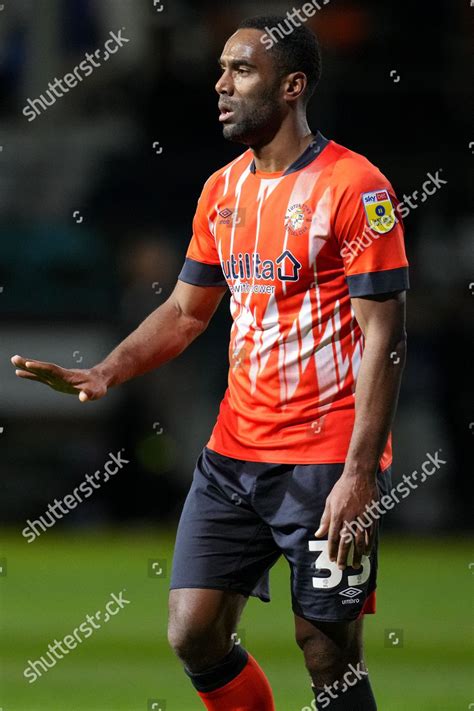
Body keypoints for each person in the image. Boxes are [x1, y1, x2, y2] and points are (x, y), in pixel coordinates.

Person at [12, 15, 409, 710]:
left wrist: (358, 474)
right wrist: (108, 369)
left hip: (324, 458)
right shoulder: (222, 190)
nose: (220, 85)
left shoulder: (356, 187)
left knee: (326, 648)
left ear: (292, 86)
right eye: (221, 69)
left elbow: (386, 336)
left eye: (241, 71)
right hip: (234, 454)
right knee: (193, 630)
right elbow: (186, 312)